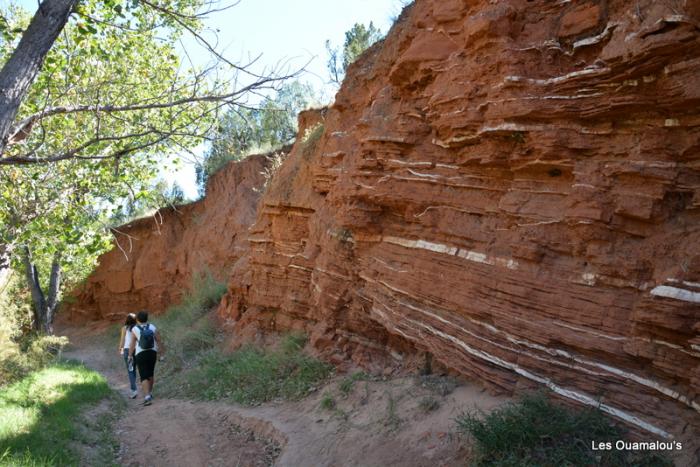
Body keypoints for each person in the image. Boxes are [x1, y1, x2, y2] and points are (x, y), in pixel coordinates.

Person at [128, 310, 165, 406]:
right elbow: (159, 341)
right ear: (147, 318)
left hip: (141, 354)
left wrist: (129, 355)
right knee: (150, 373)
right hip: (152, 352)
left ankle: (147, 396)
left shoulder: (135, 329)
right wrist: (161, 354)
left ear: (137, 319)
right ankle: (150, 393)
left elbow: (132, 344)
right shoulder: (152, 327)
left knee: (143, 375)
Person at [118, 313, 138, 399]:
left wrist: (120, 348)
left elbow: (122, 339)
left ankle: (134, 390)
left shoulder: (124, 328)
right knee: (135, 369)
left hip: (127, 350)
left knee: (130, 370)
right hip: (137, 350)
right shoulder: (137, 328)